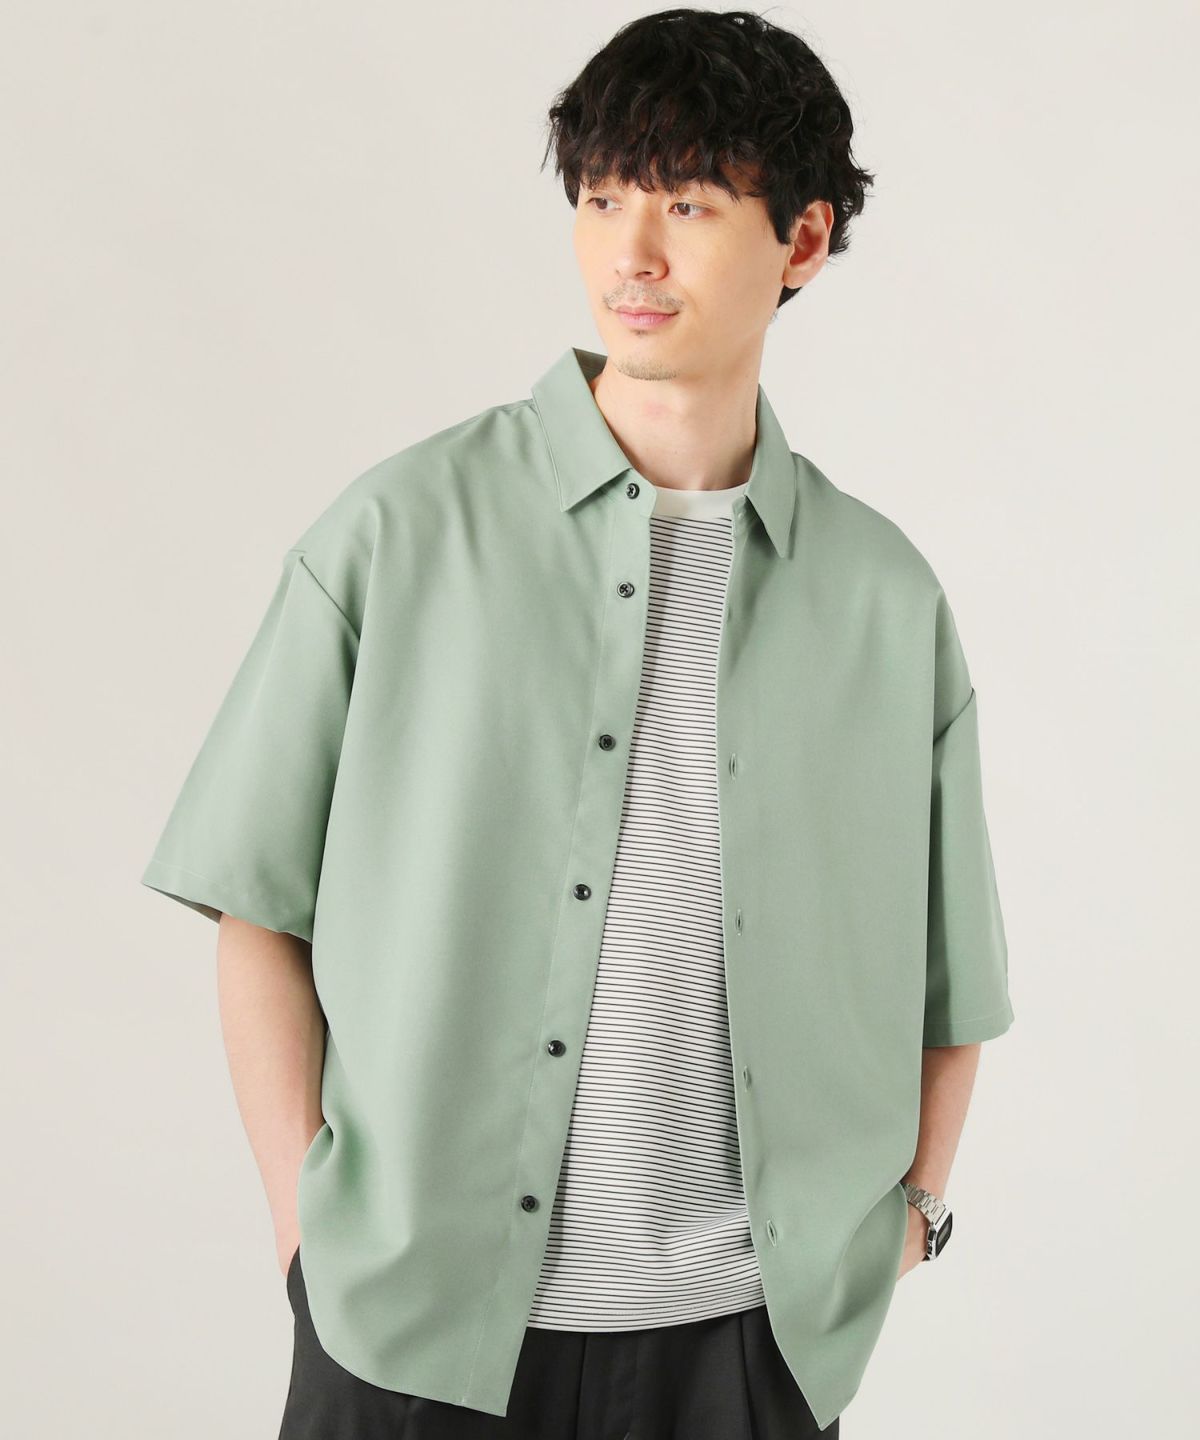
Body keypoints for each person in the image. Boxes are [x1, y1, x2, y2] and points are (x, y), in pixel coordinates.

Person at [141, 9, 1014, 1438]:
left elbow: (949, 983)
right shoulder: (397, 534)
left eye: (689, 203)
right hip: (414, 1336)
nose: (632, 254)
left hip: (747, 1356)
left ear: (801, 239)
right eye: (604, 199)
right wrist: (309, 1233)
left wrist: (909, 1217)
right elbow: (257, 908)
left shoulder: (883, 601)